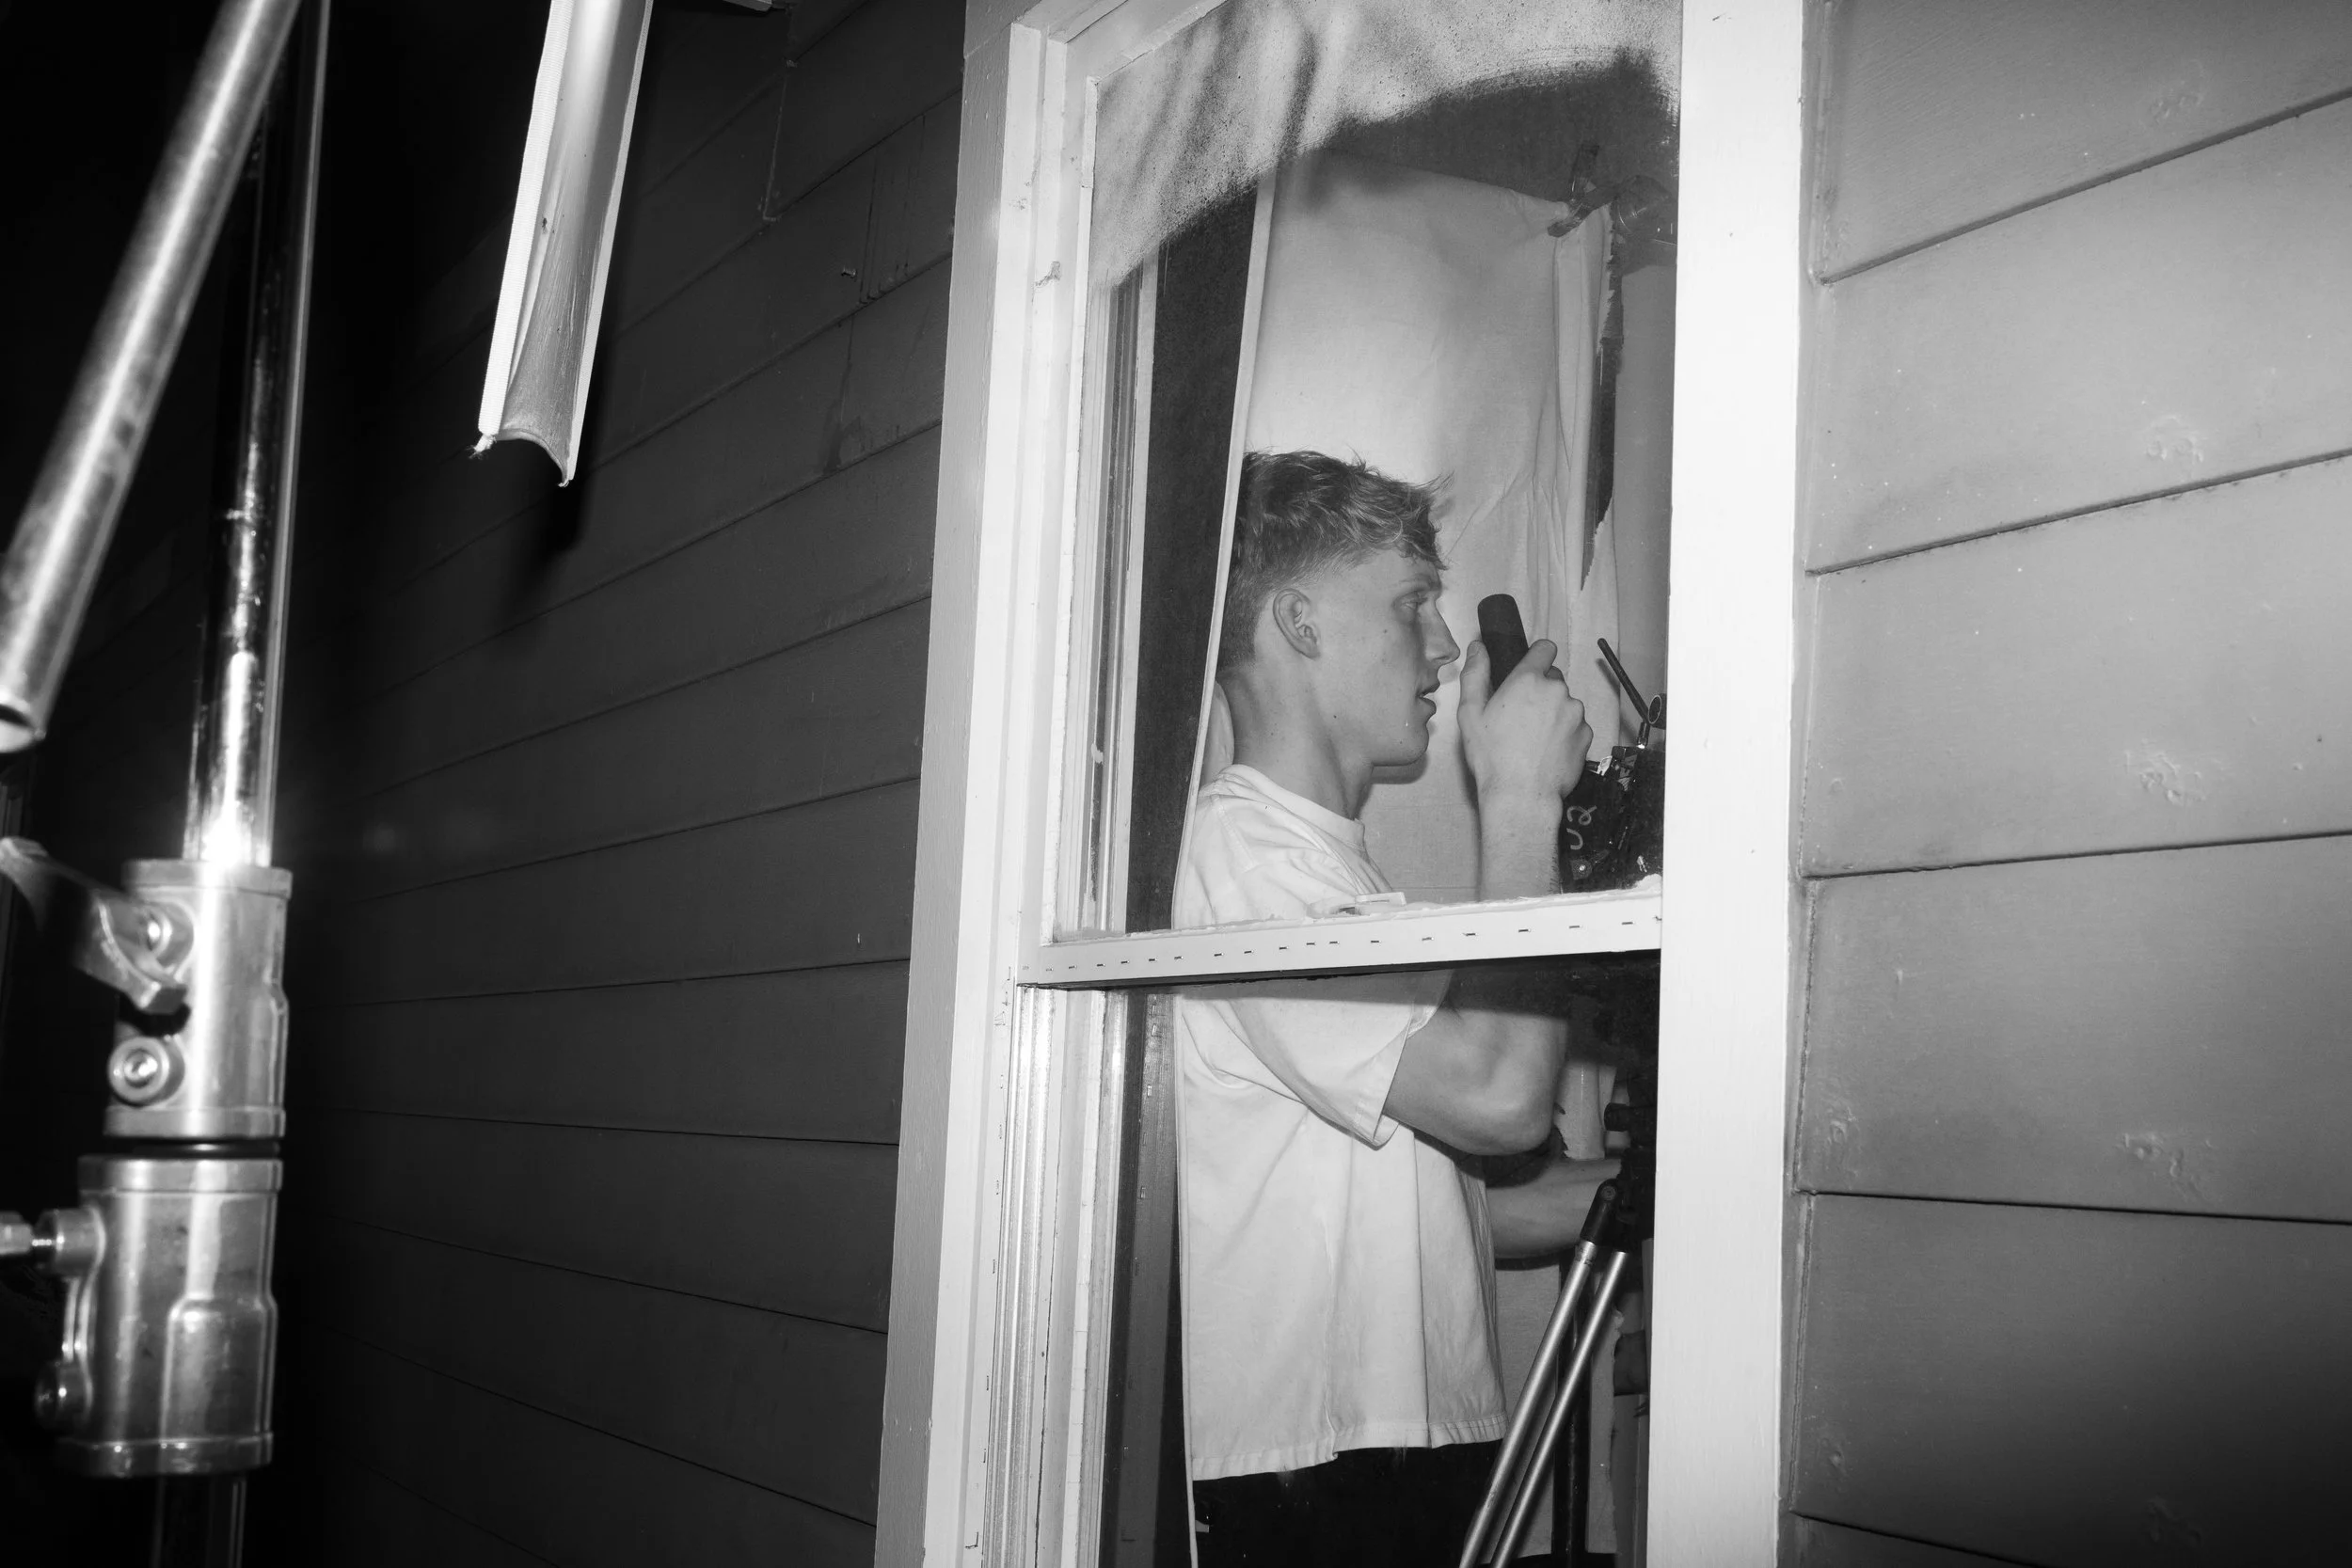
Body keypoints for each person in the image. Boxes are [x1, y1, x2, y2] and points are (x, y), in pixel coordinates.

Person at [1178, 450, 1618, 1567]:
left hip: (1390, 1457)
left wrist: (1675, 1187)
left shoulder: (1337, 879)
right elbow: (1499, 1098)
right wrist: (1518, 798)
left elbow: (1443, 1208)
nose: (1445, 646)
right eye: (1412, 603)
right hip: (1309, 1473)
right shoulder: (1244, 860)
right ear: (1300, 622)